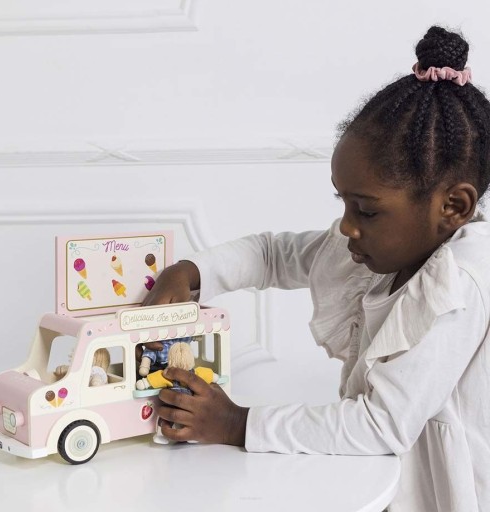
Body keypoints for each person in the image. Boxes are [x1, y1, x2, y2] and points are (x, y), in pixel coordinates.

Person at [142, 26, 490, 511]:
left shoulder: (459, 284)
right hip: (376, 470)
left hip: (439, 490)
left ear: (453, 207)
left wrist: (237, 423)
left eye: (365, 210)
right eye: (343, 202)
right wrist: (192, 271)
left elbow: (381, 424)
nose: (347, 226)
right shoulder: (383, 245)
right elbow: (272, 255)